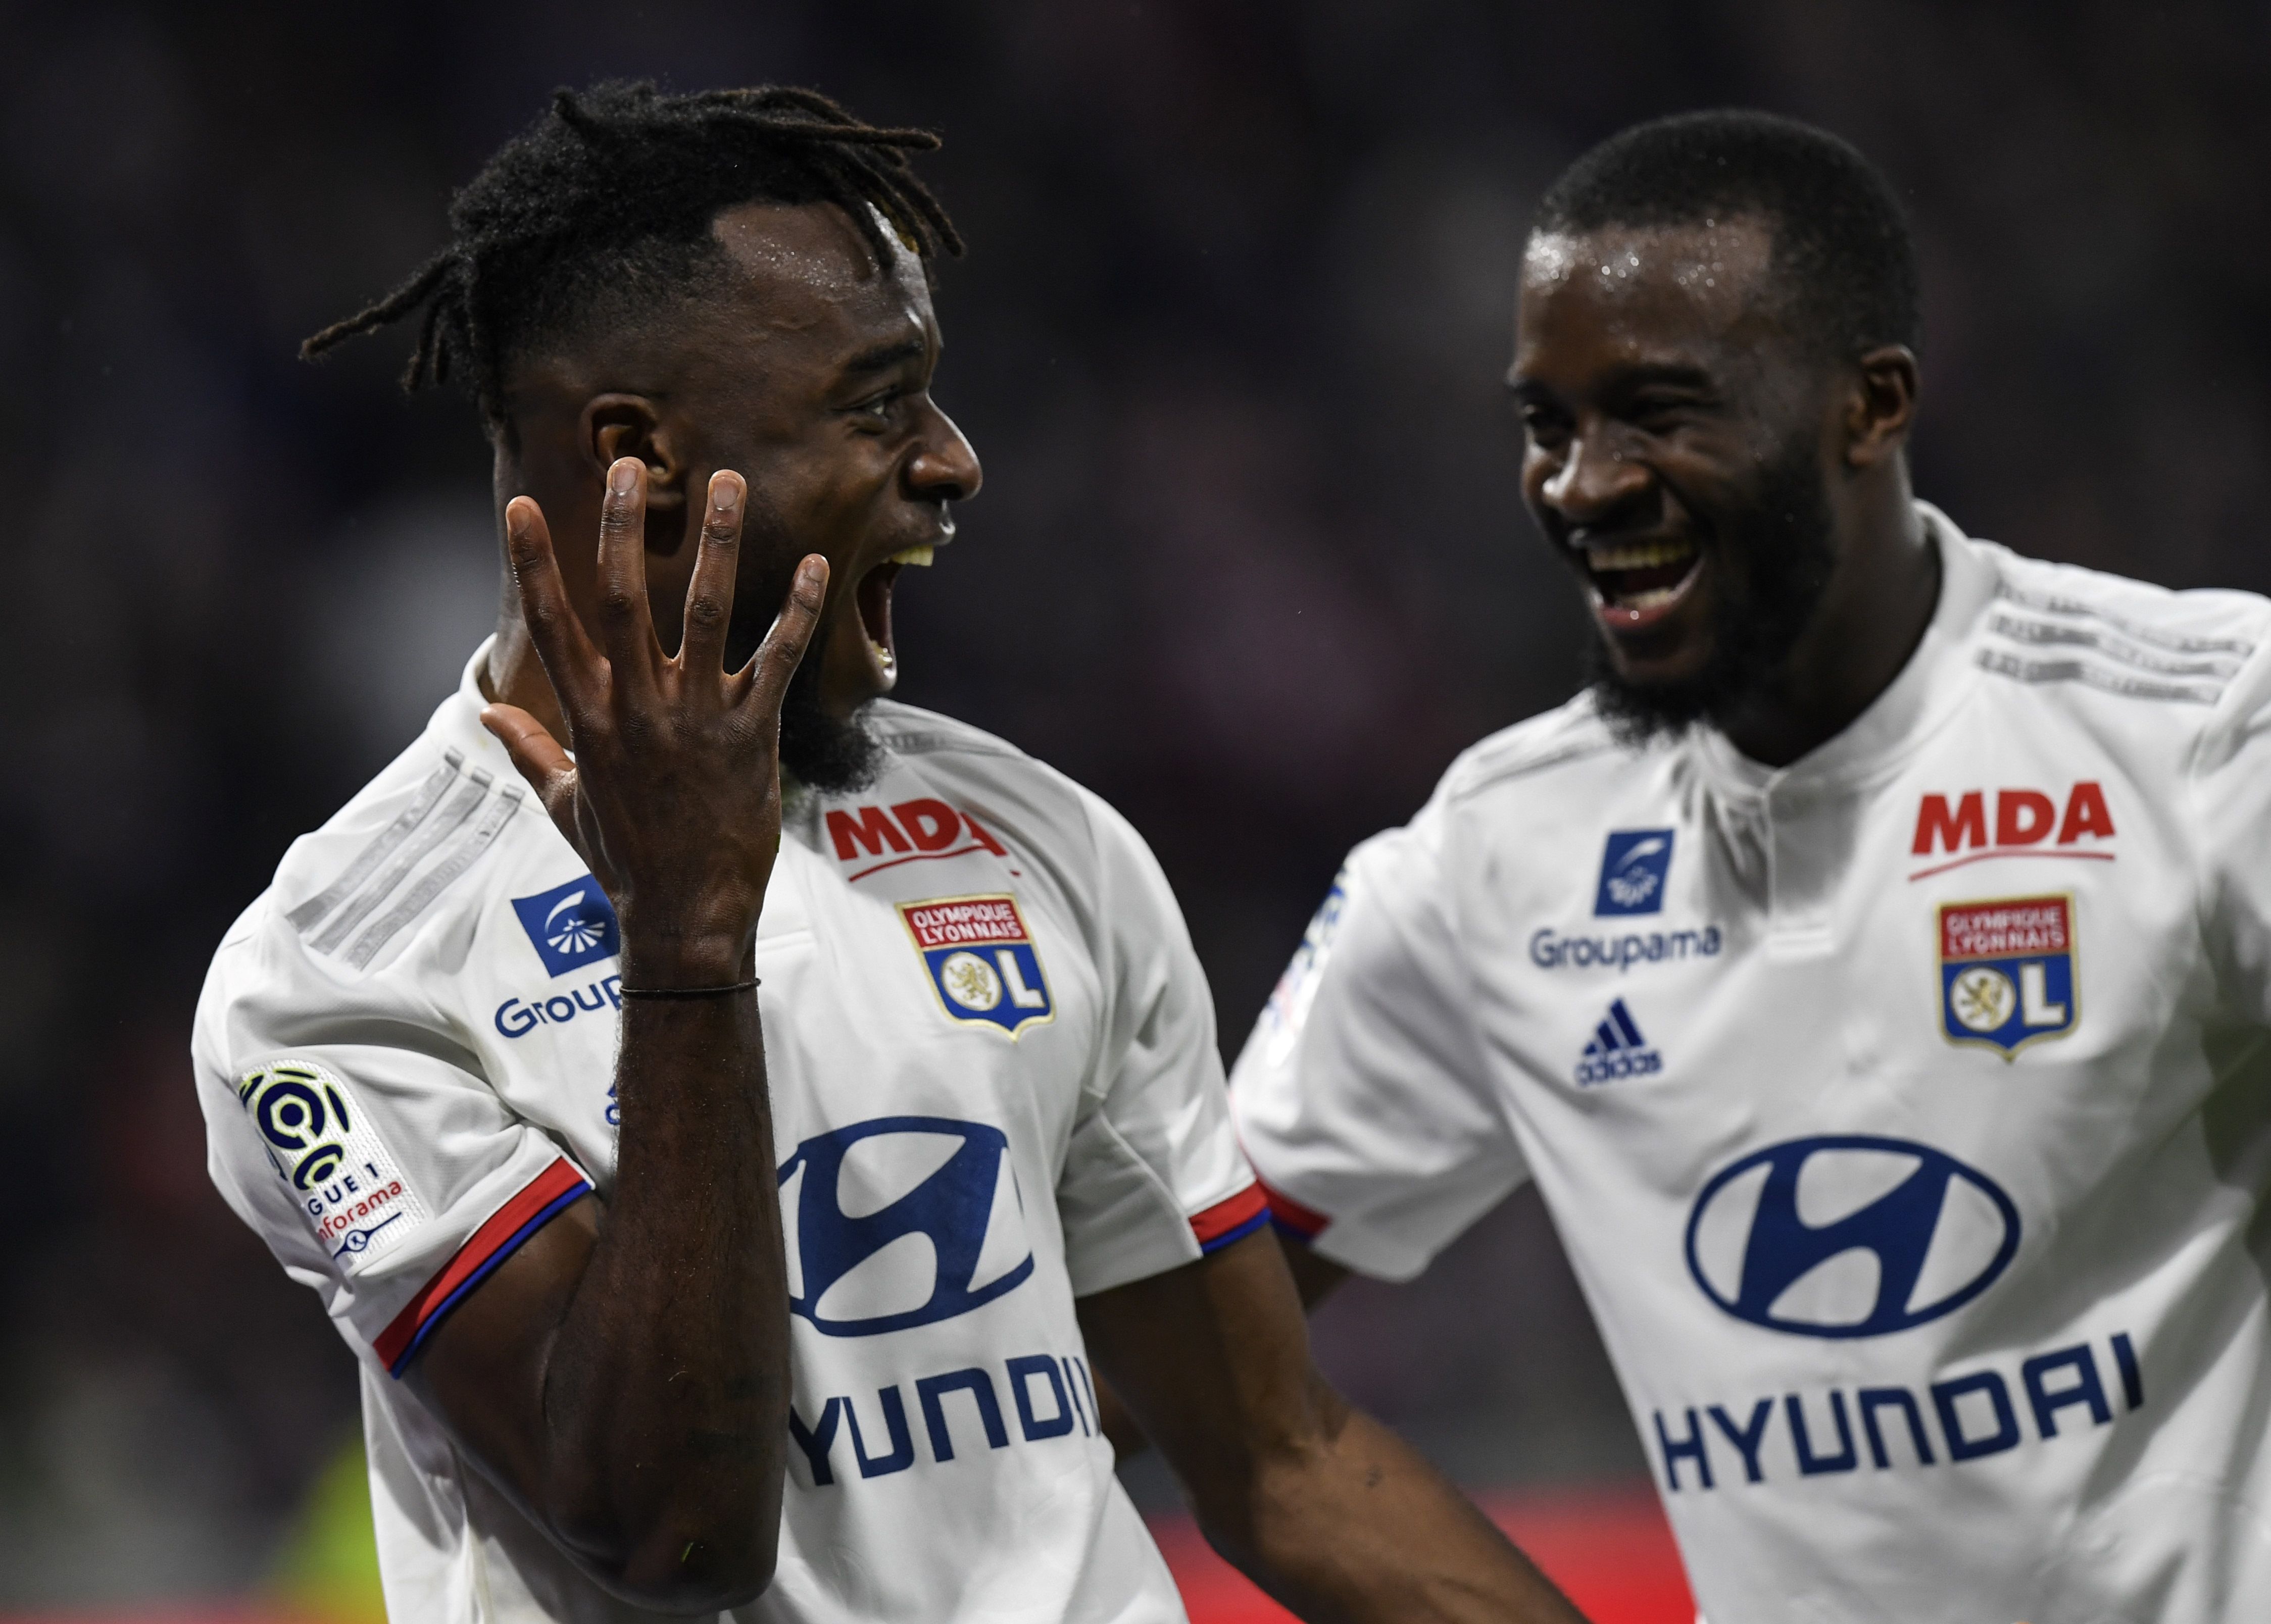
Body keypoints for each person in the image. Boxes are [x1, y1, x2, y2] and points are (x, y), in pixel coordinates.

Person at [192, 81, 1584, 1624]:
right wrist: (685, 947)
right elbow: (669, 1528)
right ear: (636, 457)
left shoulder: (1037, 841)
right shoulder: (339, 966)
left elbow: (1280, 1458)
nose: (955, 462)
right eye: (877, 403)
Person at [1228, 109, 2271, 1623]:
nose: (1584, 485)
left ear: (1873, 406)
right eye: (1548, 425)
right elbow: (1157, 1350)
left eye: (1661, 411)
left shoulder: (2206, 729)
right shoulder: (1498, 860)